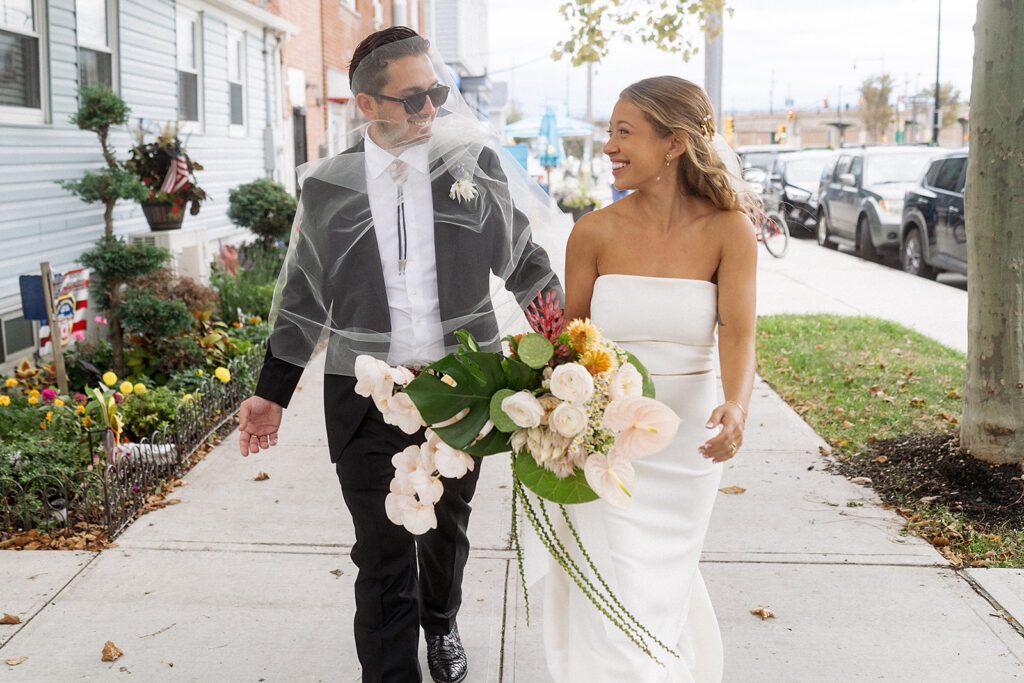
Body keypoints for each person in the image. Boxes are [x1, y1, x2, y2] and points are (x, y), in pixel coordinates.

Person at [237, 28, 561, 683]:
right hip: (364, 395)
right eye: (412, 98)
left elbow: (524, 264)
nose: (429, 110)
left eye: (436, 94)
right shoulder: (328, 188)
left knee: (446, 531)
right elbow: (302, 298)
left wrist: (563, 352)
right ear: (367, 103)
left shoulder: (474, 167)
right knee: (382, 550)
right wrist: (272, 392)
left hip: (465, 387)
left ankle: (439, 622)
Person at [548, 76, 757, 681]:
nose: (609, 146)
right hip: (605, 441)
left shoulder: (728, 230)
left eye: (623, 132)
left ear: (673, 144)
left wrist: (737, 407)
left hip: (686, 442)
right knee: (612, 585)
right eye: (608, 132)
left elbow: (738, 334)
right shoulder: (592, 232)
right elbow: (570, 339)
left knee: (657, 589)